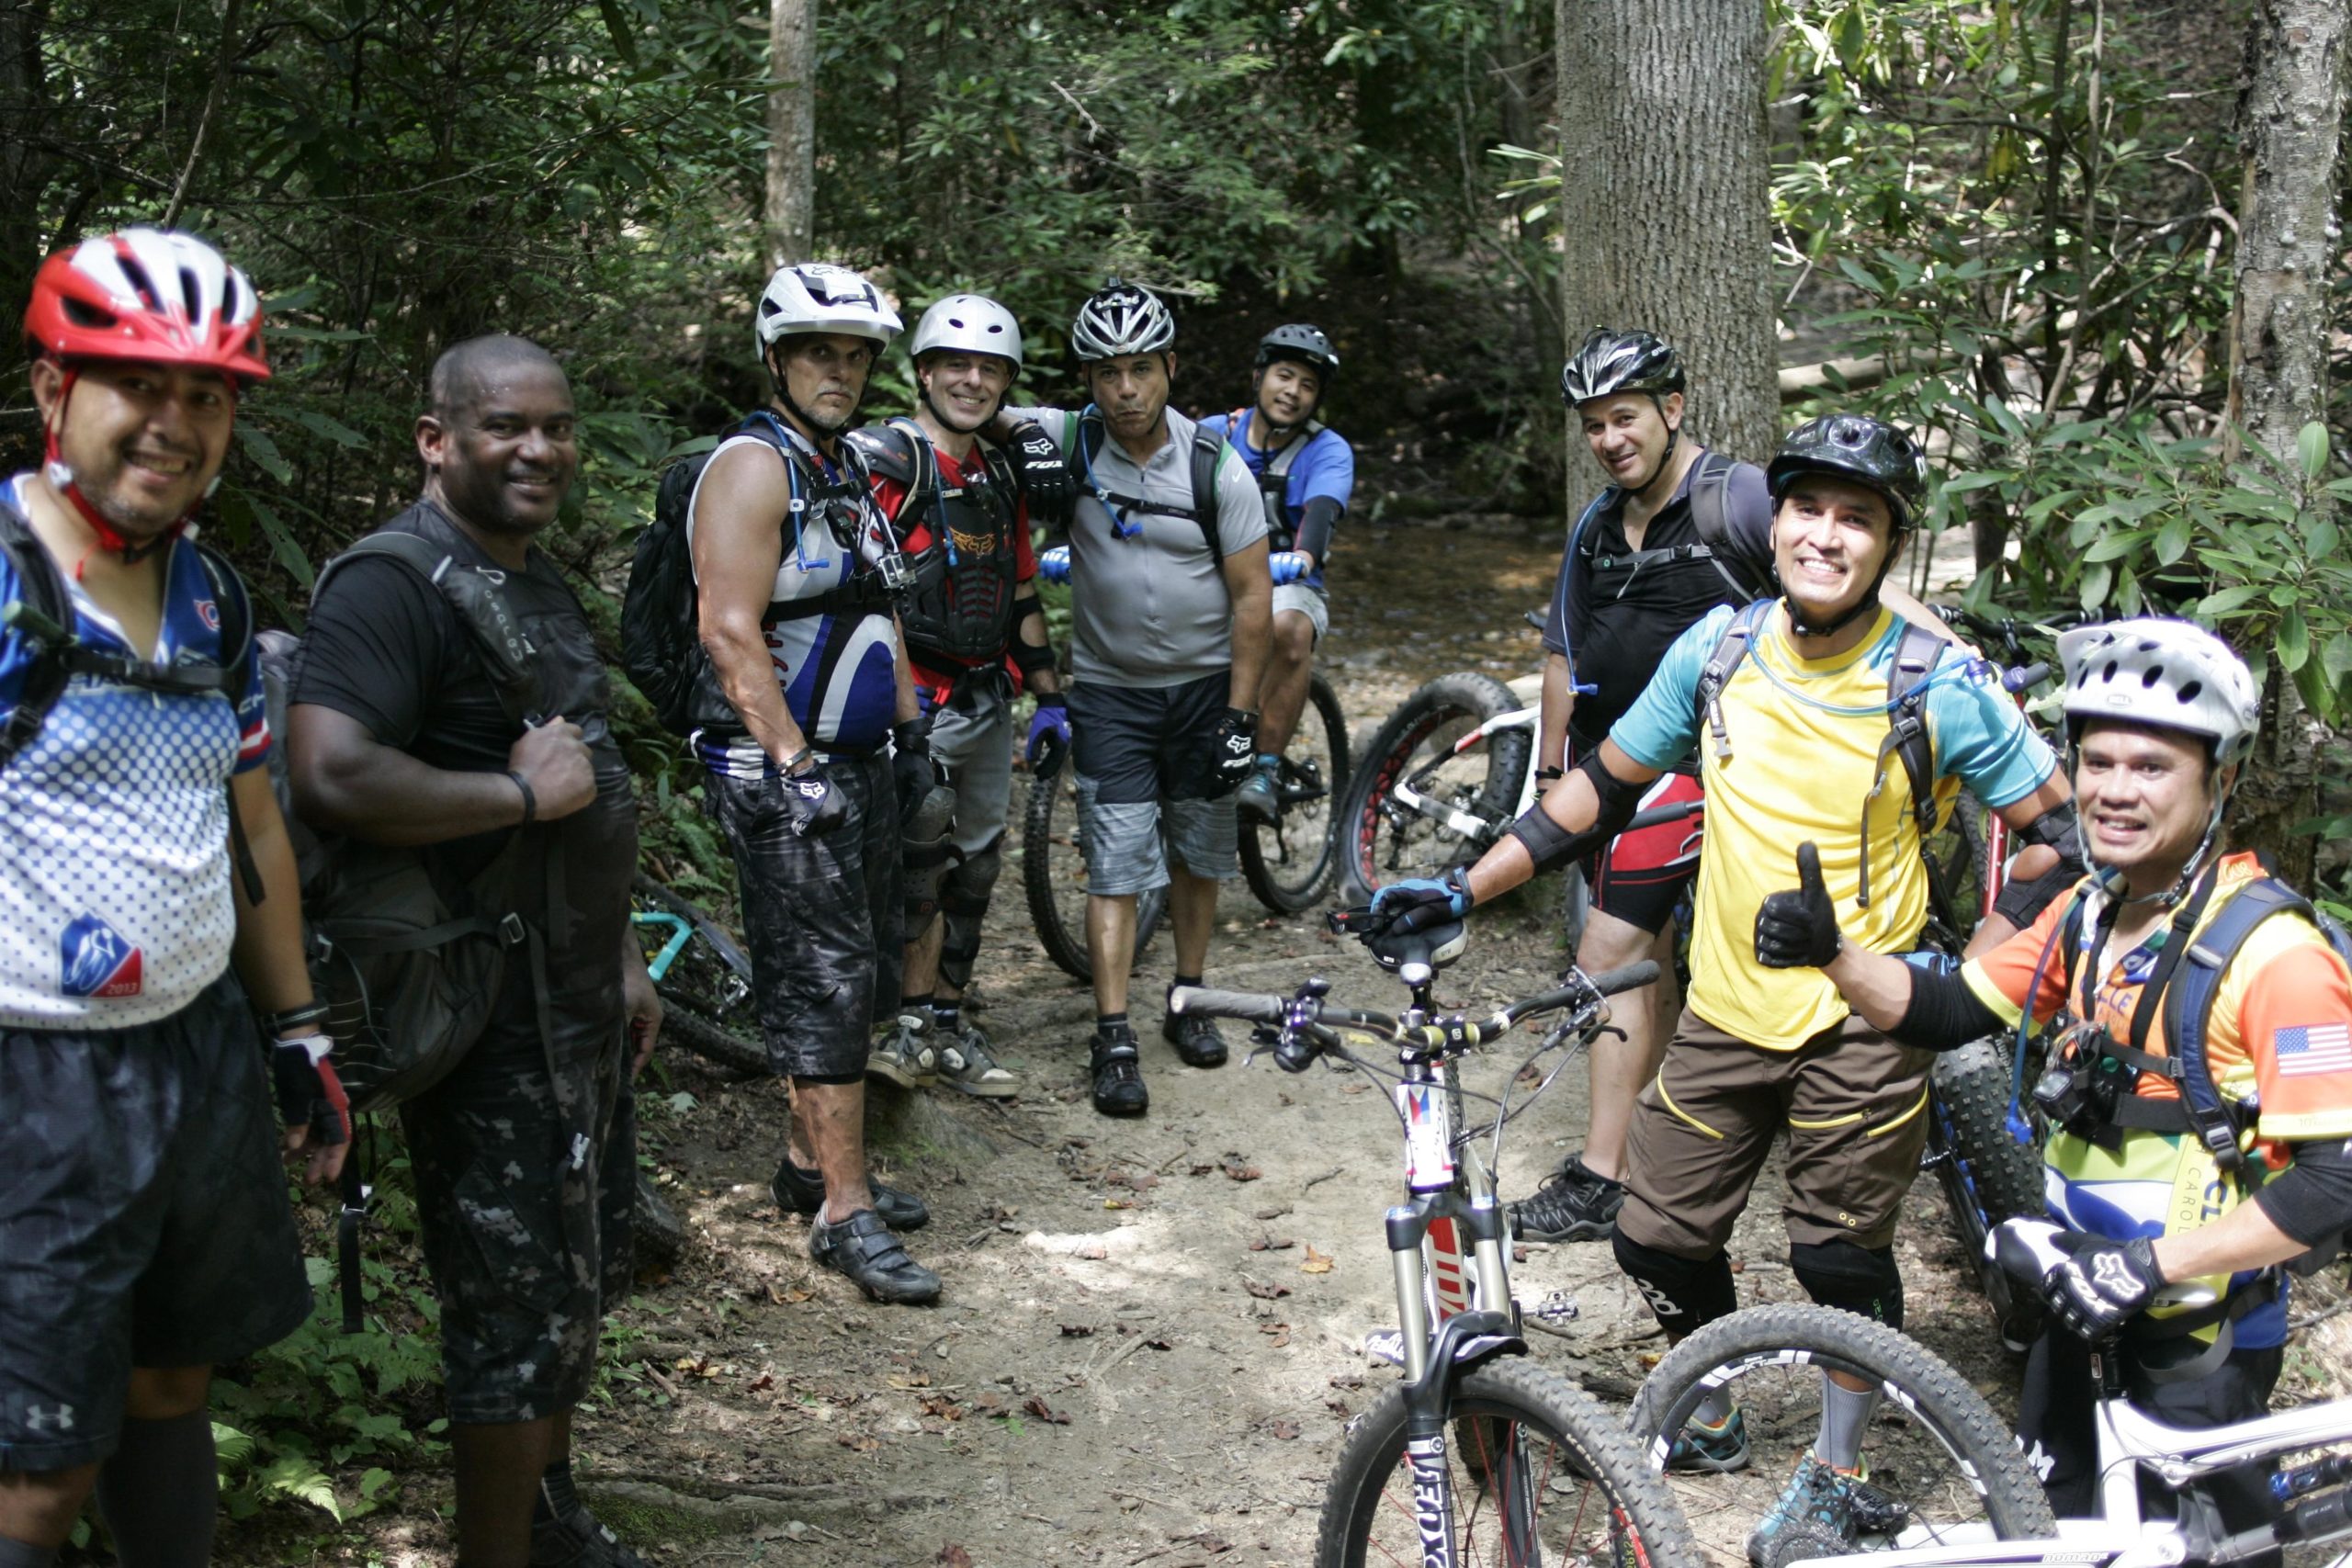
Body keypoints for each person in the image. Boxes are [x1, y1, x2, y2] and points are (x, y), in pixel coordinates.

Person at [1366, 413, 2085, 1540]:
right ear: (1779, 519)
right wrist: (1465, 885)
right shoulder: (1718, 649)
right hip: (1725, 1007)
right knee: (1652, 1236)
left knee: (1836, 1260)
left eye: (1858, 520)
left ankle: (1839, 1482)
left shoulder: (1936, 683)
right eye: (1809, 509)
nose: (1826, 537)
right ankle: (1706, 1406)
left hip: (1864, 1017)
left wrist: (1960, 975)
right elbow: (1596, 789)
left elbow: (2056, 838)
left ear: (1890, 545)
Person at [1763, 617, 2352, 1556]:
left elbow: (2332, 1187)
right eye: (2097, 762)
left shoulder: (2275, 956)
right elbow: (1951, 1011)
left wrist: (2149, 1268)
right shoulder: (2089, 912)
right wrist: (1830, 953)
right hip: (2078, 1304)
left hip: (2196, 1336)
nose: (2113, 791)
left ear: (2221, 780)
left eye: (2151, 768)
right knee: (2067, 1535)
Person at [0, 228, 347, 1568]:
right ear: (52, 391)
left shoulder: (210, 595)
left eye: (206, 394)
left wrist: (299, 1030)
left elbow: (247, 814)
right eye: (139, 384)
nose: (175, 422)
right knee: (36, 1457)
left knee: (170, 1381)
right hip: (35, 1072)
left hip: (192, 1050)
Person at [288, 334, 659, 1568]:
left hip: (565, 1001)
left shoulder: (528, 576)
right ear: (436, 438)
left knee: (562, 1287)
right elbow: (330, 766)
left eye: (556, 426)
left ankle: (550, 1521)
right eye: (506, 425)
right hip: (477, 1010)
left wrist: (618, 957)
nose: (540, 448)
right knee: (508, 1308)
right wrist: (509, 796)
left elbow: (589, 783)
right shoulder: (391, 582)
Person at [1515, 329, 1962, 1247]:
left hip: (1715, 767)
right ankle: (1667, 1135)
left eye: (1624, 417)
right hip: (1618, 767)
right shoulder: (1597, 528)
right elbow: (1563, 653)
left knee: (1608, 950)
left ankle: (1605, 1174)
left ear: (1670, 411)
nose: (1608, 438)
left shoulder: (1737, 496)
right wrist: (1555, 772)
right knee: (1655, 961)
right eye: (1594, 424)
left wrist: (1953, 662)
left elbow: (1844, 576)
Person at [680, 262, 944, 1305]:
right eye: (819, 354)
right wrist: (793, 763)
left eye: (854, 356)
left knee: (864, 965)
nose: (839, 372)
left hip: (864, 761)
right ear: (779, 359)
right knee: (824, 980)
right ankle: (845, 1213)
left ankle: (809, 1167)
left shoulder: (835, 462)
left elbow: (877, 613)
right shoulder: (753, 467)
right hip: (788, 766)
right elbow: (725, 629)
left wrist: (912, 739)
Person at [1000, 278, 1272, 1116]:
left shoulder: (1215, 464)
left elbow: (1253, 597)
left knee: (1196, 854)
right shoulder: (1070, 440)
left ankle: (1188, 996)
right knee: (1114, 864)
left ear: (1170, 368)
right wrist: (1024, 441)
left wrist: (1241, 715)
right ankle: (1112, 1032)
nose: (1125, 389)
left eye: (1141, 370)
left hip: (1200, 690)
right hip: (1111, 695)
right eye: (1107, 371)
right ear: (1087, 376)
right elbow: (975, 407)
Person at [847, 292, 1060, 1099]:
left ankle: (946, 1019)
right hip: (916, 703)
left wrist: (1050, 698)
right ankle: (902, 1025)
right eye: (957, 365)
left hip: (984, 697)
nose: (972, 381)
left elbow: (1019, 590)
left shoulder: (1000, 472)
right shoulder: (887, 460)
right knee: (918, 863)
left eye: (991, 370)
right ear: (925, 370)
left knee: (974, 869)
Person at [1198, 324, 1351, 827]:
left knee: (1287, 627)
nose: (1293, 392)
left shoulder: (1327, 450)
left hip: (1287, 584)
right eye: (1284, 376)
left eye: (1308, 385)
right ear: (1259, 377)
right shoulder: (1211, 434)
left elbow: (1323, 511)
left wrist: (1304, 556)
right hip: (1205, 580)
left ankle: (1263, 767)